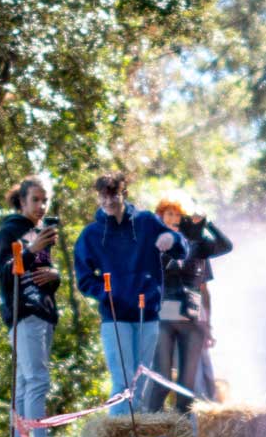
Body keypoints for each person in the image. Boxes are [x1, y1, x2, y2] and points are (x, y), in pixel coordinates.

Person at [72, 172, 183, 415]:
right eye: (103, 196)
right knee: (123, 381)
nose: (109, 202)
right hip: (115, 315)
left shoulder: (145, 222)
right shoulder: (91, 234)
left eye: (114, 196)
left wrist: (170, 238)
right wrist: (108, 293)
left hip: (148, 312)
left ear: (124, 194)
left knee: (141, 381)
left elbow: (181, 248)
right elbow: (84, 277)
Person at [0, 176, 63, 437]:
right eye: (35, 199)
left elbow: (38, 273)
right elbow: (7, 273)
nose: (41, 205)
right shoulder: (10, 231)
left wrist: (55, 275)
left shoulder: (39, 231)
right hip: (24, 313)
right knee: (37, 380)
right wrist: (31, 249)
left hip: (42, 311)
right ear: (22, 201)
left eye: (45, 200)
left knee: (25, 381)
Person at [144, 200, 233, 412]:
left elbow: (225, 248)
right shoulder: (156, 244)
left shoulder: (197, 245)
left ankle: (182, 436)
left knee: (188, 385)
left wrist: (206, 223)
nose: (174, 219)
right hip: (165, 315)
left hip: (192, 317)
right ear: (161, 216)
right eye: (169, 214)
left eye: (178, 215)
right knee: (162, 379)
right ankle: (152, 424)